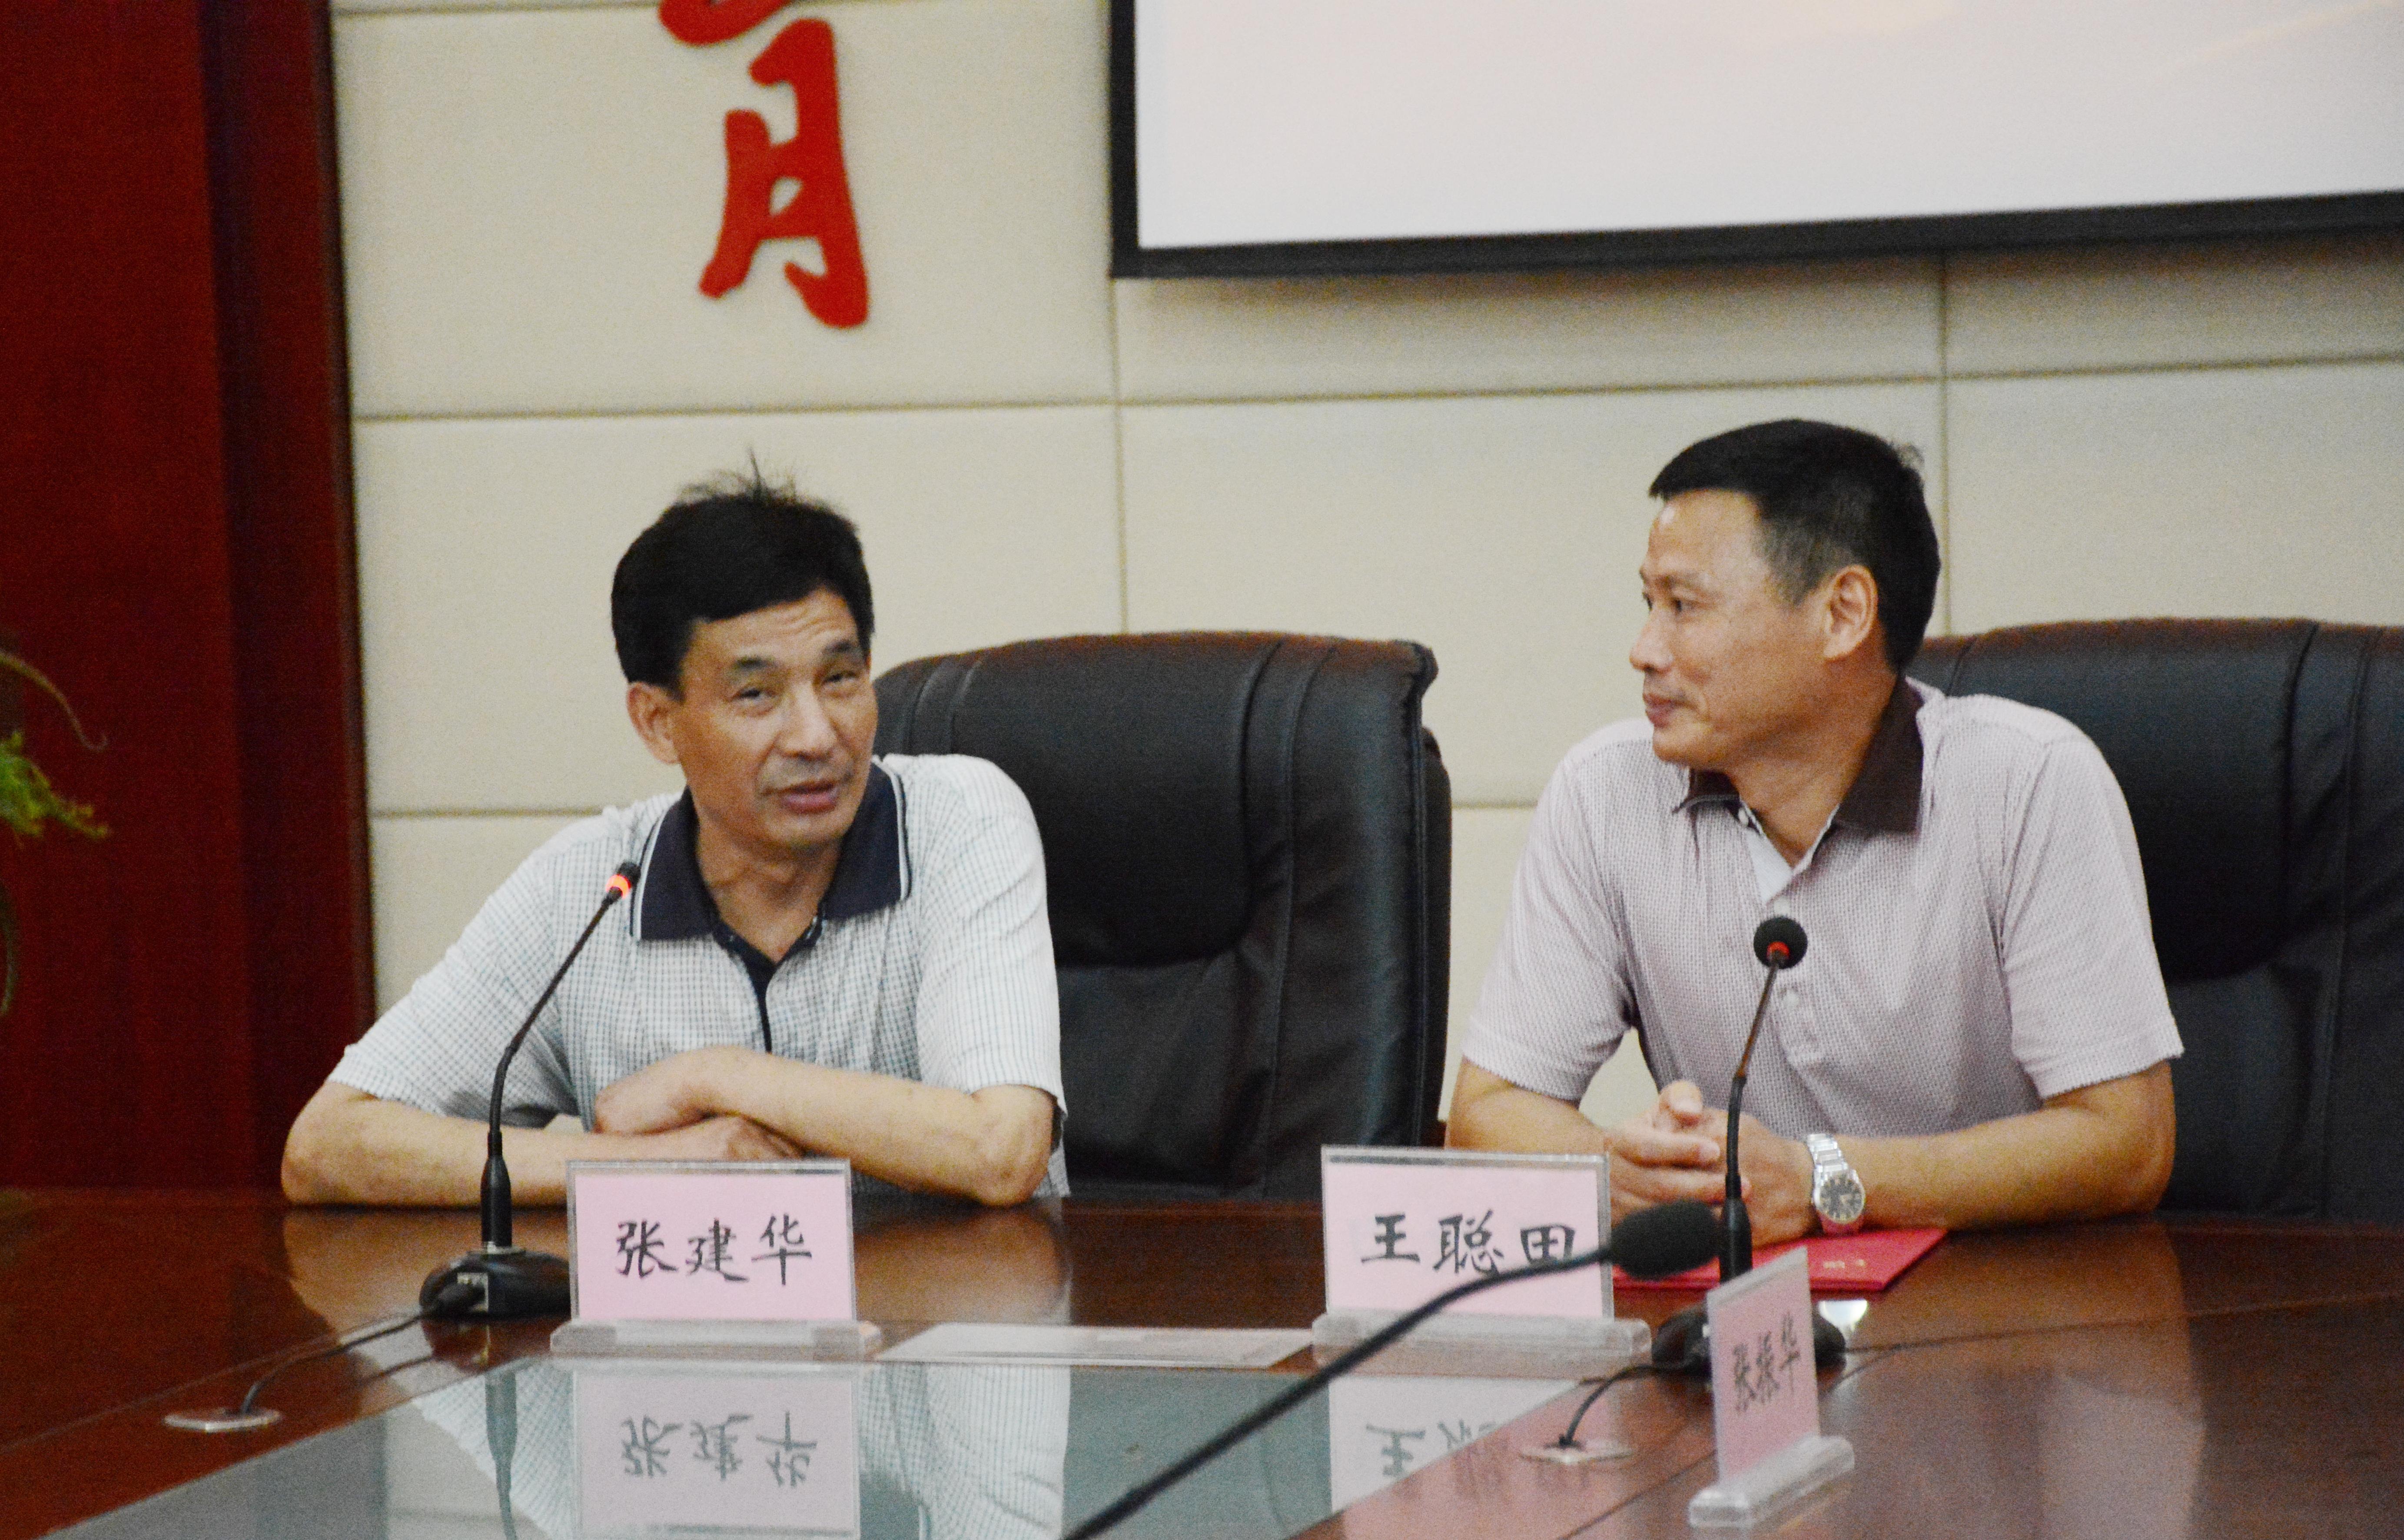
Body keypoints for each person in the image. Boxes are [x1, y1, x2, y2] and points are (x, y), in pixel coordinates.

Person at [1448, 419, 2180, 1242]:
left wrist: (1820, 1179)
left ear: (1842, 614)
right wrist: (1614, 1172)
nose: (1644, 650)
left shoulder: (2027, 783)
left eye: (1685, 606)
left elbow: (2129, 1143)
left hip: (1996, 1299)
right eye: (1649, 604)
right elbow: (1487, 1111)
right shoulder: (1605, 794)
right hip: (1741, 1302)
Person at [283, 472, 1065, 1207]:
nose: (816, 735)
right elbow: (326, 1146)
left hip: (951, 1307)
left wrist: (714, 1077)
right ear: (658, 722)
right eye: (756, 694)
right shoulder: (588, 889)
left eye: (840, 679)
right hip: (694, 1310)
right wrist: (643, 1164)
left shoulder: (960, 821)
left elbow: (1001, 1149)